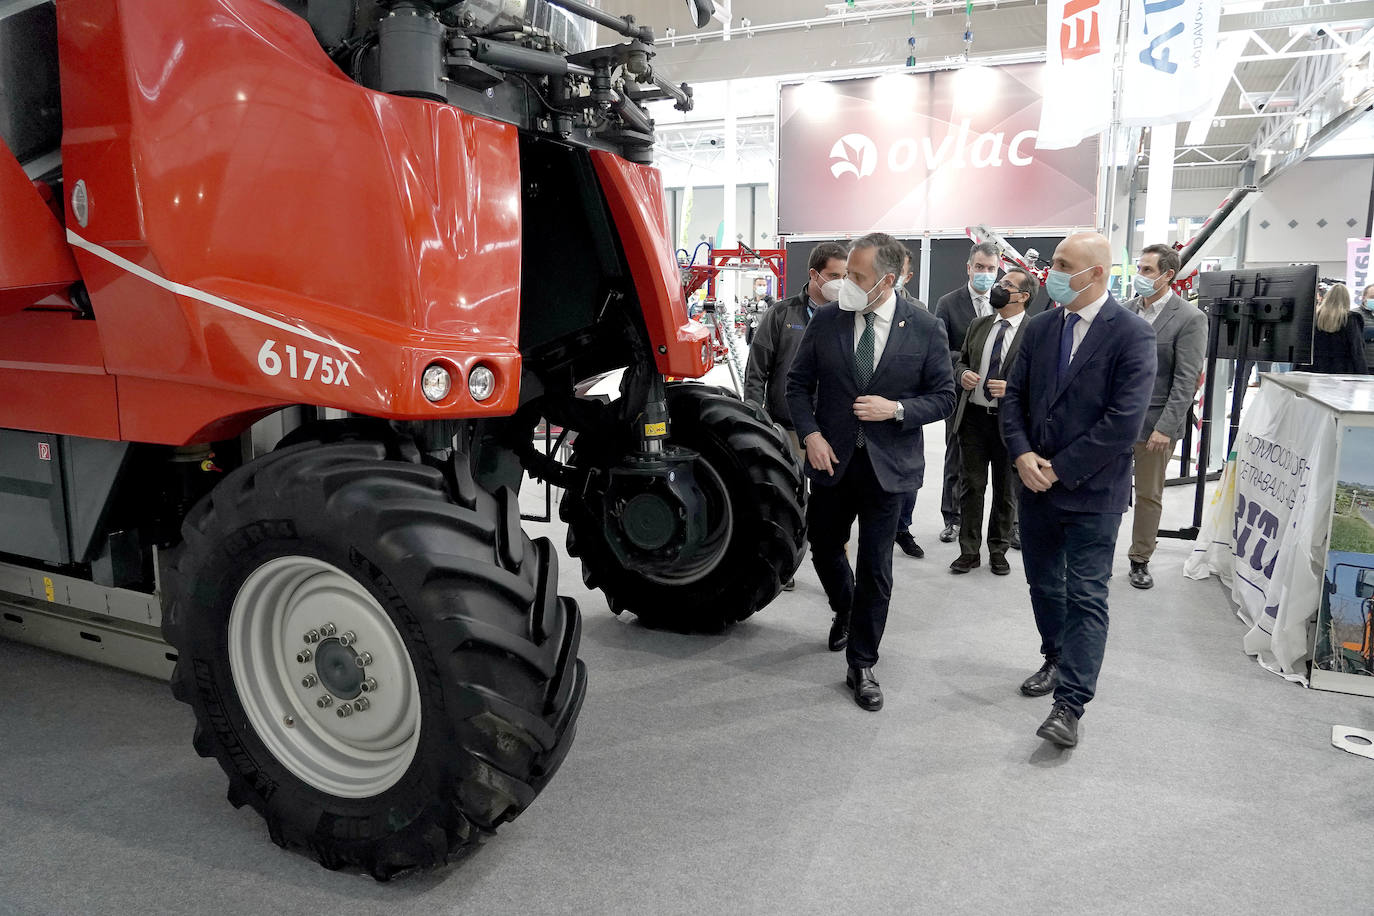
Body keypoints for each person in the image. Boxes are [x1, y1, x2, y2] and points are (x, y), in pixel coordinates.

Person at [786, 232, 954, 711]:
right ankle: (846, 606)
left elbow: (943, 396)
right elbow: (798, 386)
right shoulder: (829, 321)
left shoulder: (924, 326)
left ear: (887, 279)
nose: (847, 285)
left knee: (876, 566)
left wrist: (897, 410)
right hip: (831, 460)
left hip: (889, 468)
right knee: (822, 544)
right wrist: (810, 435)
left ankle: (862, 662)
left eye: (857, 277)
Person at [1000, 231, 1155, 748]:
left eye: (1065, 264)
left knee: (1087, 593)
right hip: (1034, 482)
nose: (1054, 273)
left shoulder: (1131, 334)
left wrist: (1060, 468)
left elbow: (1123, 421)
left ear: (1097, 274)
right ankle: (1055, 657)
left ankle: (1070, 704)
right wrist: (1022, 454)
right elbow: (1013, 398)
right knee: (1043, 584)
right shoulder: (1042, 328)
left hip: (1092, 489)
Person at [744, 243, 846, 592]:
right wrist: (756, 420)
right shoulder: (781, 314)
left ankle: (834, 566)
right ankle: (785, 564)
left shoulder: (848, 316)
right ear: (814, 274)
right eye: (834, 276)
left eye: (846, 277)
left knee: (831, 500)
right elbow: (756, 371)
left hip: (830, 428)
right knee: (786, 498)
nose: (840, 283)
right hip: (784, 426)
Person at [1123, 244, 1208, 590]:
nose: (1139, 276)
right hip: (1117, 418)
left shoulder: (1188, 318)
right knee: (1104, 489)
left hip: (1156, 423)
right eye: (1139, 269)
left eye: (1147, 270)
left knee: (1148, 494)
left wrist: (1166, 427)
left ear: (1167, 275)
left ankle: (1140, 557)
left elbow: (1187, 379)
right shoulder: (1125, 310)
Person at [948, 267, 1037, 576]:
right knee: (971, 486)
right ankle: (969, 551)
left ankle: (998, 550)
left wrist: (1011, 389)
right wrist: (963, 375)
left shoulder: (1034, 331)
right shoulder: (979, 325)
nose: (998, 287)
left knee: (1004, 490)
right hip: (973, 418)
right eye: (1000, 282)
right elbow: (962, 361)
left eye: (1007, 284)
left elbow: (1041, 382)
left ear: (1023, 296)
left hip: (1010, 423)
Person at [933, 242, 1001, 544]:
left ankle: (997, 524)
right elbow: (939, 348)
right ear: (969, 268)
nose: (985, 273)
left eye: (991, 269)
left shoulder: (1004, 301)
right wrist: (962, 368)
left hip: (996, 396)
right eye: (980, 267)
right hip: (960, 393)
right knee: (956, 456)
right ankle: (952, 516)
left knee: (996, 462)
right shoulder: (949, 303)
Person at [893, 247, 931, 559]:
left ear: (908, 274)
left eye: (898, 268)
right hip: (867, 409)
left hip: (907, 410)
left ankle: (902, 528)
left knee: (909, 479)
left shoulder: (921, 313)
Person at [1295, 284, 1368, 375]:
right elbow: (1357, 350)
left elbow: (1302, 346)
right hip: (1341, 371)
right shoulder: (1350, 319)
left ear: (1327, 297)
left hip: (1313, 369)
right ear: (1347, 300)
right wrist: (1363, 374)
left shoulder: (1313, 318)